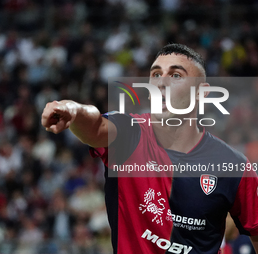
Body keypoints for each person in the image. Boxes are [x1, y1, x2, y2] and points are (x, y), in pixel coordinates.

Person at [41, 44, 258, 254]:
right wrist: (73, 110)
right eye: (155, 74)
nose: (161, 82)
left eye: (176, 75)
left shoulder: (234, 166)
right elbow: (96, 126)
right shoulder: (129, 134)